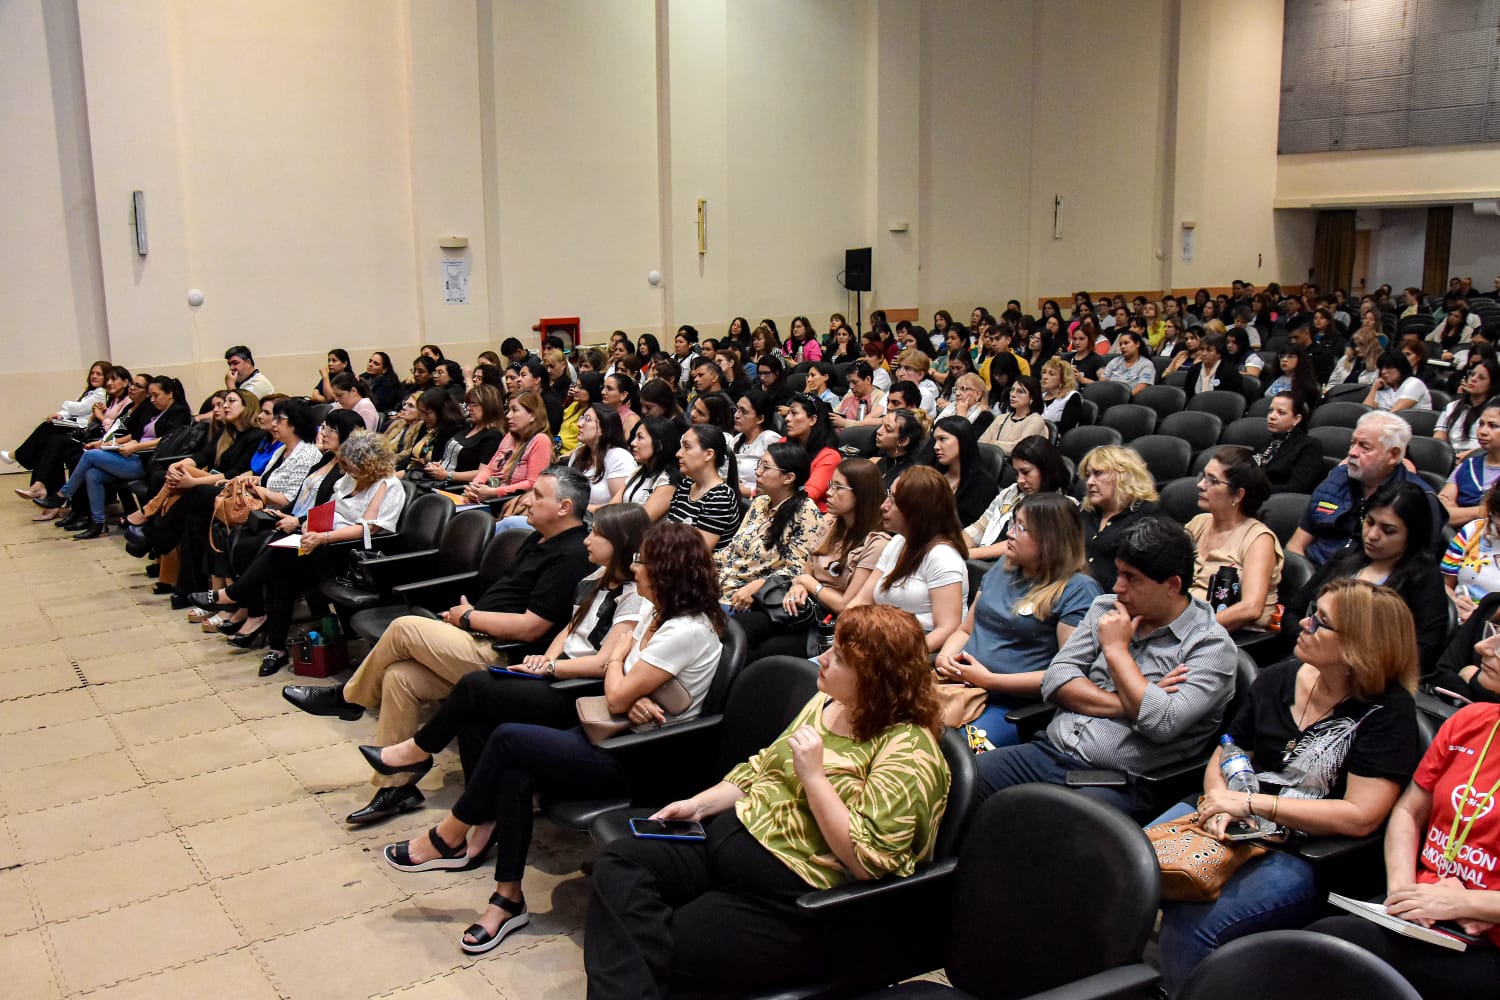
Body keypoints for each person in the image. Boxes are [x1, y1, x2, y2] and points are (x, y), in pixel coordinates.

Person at [378, 521, 726, 955]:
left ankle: (450, 836)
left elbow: (616, 689)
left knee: (506, 739)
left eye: (644, 562)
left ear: (667, 571)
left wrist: (618, 669)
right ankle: (506, 899)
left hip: (642, 757)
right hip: (612, 732)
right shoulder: (657, 614)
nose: (637, 569)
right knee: (515, 771)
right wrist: (624, 684)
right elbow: (619, 692)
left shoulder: (684, 630)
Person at [583, 603, 949, 996]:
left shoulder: (909, 751)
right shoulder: (830, 703)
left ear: (876, 678)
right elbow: (761, 768)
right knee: (622, 863)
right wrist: (699, 805)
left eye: (839, 658)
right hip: (727, 839)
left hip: (790, 891)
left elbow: (868, 862)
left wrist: (815, 778)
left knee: (665, 947)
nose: (822, 660)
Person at [282, 465, 594, 824]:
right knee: (400, 677)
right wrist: (470, 616)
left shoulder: (571, 554)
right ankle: (396, 786)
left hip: (503, 654)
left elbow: (530, 627)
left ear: (564, 507)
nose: (527, 500)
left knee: (403, 629)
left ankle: (349, 699)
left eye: (539, 495)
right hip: (476, 636)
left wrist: (467, 617)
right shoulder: (538, 537)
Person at [1153, 578, 1421, 994]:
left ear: (1357, 646)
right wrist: (1219, 801)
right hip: (1232, 819)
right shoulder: (1281, 677)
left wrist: (1251, 804)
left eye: (1321, 622)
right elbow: (1229, 748)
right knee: (1120, 869)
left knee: (1191, 927)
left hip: (1305, 851)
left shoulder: (1389, 714)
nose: (1304, 624)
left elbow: (1360, 817)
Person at [975, 517, 1239, 820]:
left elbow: (1161, 724)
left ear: (1172, 585)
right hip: (1047, 751)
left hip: (1116, 780)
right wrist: (1134, 703)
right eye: (1118, 573)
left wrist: (1116, 652)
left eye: (1131, 578)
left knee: (1049, 825)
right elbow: (1056, 680)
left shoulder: (1210, 647)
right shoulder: (1105, 607)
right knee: (958, 782)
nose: (1117, 586)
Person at [1306, 694, 1500, 995]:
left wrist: (1466, 903)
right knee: (1319, 949)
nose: (1486, 649)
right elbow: (1409, 812)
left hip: (1488, 938)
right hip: (1423, 908)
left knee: (1335, 950)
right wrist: (1402, 891)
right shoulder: (1472, 720)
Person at [936, 493, 1102, 748]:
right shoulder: (1004, 565)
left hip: (1011, 707)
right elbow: (965, 629)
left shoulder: (1077, 590)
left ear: (1050, 538)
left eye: (1021, 528)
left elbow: (1067, 675)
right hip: (958, 688)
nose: (1010, 533)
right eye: (1013, 523)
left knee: (962, 752)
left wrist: (989, 680)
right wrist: (944, 657)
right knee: (897, 726)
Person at [1297, 480, 1448, 674]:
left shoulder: (1423, 577)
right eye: (1369, 522)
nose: (1373, 535)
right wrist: (1308, 644)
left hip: (1368, 677)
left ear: (1413, 534)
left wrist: (1349, 661)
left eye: (1388, 530)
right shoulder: (1345, 556)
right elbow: (1295, 610)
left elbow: (1425, 649)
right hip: (1307, 660)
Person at [1287, 410, 1442, 566]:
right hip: (1312, 572)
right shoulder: (1336, 479)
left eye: (1364, 447)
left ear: (1393, 455)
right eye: (1353, 443)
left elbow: (1415, 569)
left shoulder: (1420, 500)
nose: (1352, 453)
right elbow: (1296, 545)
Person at [54, 376, 193, 539]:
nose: (152, 400)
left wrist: (136, 446)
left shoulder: (178, 412)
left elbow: (167, 439)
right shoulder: (157, 412)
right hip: (134, 454)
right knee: (92, 474)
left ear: (169, 394)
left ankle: (64, 494)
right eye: (151, 396)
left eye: (156, 395)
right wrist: (108, 444)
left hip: (148, 461)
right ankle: (98, 523)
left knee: (90, 456)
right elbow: (137, 435)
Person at [846, 466, 967, 652]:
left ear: (917, 511)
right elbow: (862, 599)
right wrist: (844, 628)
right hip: (880, 640)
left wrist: (900, 659)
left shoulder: (943, 556)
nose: (883, 506)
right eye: (888, 496)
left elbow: (947, 628)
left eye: (894, 502)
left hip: (913, 651)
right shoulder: (898, 543)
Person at [1187, 447, 1283, 632]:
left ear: (1238, 495)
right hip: (1183, 622)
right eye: (1203, 476)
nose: (1200, 485)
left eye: (1212, 481)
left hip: (1227, 636)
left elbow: (1250, 608)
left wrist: (1192, 629)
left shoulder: (1258, 540)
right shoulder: (1198, 524)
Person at [718, 443, 821, 610]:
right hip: (720, 586)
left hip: (748, 600)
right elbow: (732, 549)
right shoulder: (760, 502)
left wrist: (760, 585)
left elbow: (798, 569)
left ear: (789, 478)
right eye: (759, 464)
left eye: (766, 467)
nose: (758, 472)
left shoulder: (806, 512)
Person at [1079, 445, 1161, 591]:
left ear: (1123, 475)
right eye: (1088, 475)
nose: (1089, 482)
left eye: (1098, 473)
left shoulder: (1148, 518)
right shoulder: (1085, 513)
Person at [462, 391, 554, 510]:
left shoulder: (540, 441)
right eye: (509, 410)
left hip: (509, 503)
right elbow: (490, 468)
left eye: (515, 410)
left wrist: (494, 492)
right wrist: (477, 484)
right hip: (489, 497)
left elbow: (532, 483)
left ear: (532, 415)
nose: (508, 415)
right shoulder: (509, 437)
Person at [668, 424, 743, 550]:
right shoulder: (685, 486)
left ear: (708, 454)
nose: (678, 454)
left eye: (687, 447)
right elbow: (668, 532)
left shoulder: (720, 497)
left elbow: (696, 553)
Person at [1443, 479, 1500, 621]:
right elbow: (1445, 584)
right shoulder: (1473, 530)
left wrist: (1481, 615)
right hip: (1460, 616)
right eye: (1496, 517)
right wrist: (1455, 602)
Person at [1253, 391, 1326, 495]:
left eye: (1281, 412)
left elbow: (1297, 488)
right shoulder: (1264, 442)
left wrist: (1254, 491)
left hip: (1279, 502)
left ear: (1297, 419)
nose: (1272, 416)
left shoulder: (1309, 446)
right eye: (1271, 411)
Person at [1440, 401, 1500, 528]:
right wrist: (1483, 511)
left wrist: (1459, 512)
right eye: (1481, 424)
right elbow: (1441, 513)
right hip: (1460, 539)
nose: (1482, 432)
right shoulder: (1468, 464)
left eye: (1493, 426)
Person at [933, 415, 999, 528]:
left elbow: (967, 528)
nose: (936, 446)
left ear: (962, 440)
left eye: (942, 439)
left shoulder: (983, 485)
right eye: (935, 440)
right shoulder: (935, 474)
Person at [569, 404, 637, 511]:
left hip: (603, 523)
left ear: (603, 429)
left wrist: (578, 510)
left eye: (587, 419)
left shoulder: (619, 457)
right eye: (581, 418)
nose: (579, 424)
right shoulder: (578, 454)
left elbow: (620, 507)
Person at [615, 416, 681, 521]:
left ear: (659, 445)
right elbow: (612, 506)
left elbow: (643, 521)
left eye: (640, 438)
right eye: (634, 438)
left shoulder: (668, 481)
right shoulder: (639, 471)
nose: (633, 443)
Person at [782, 394, 841, 511]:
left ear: (812, 420)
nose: (787, 418)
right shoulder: (782, 443)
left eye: (794, 413)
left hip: (808, 516)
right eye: (788, 413)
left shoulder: (829, 456)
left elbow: (808, 496)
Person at [1436, 357, 1500, 457]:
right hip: (1451, 458)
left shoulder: (1496, 411)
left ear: (1492, 384)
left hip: (1482, 457)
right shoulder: (1452, 406)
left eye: (1481, 377)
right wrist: (1445, 456)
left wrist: (1468, 455)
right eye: (1472, 374)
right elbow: (1439, 435)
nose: (1473, 379)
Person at [728, 389, 781, 494]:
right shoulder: (736, 440)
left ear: (760, 418)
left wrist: (749, 491)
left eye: (743, 412)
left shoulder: (770, 439)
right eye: (737, 409)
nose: (736, 415)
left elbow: (779, 481)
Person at [1364, 350, 1434, 412]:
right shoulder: (1382, 386)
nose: (1383, 371)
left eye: (1389, 367)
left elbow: (1396, 413)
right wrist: (1374, 388)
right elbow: (1366, 412)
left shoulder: (1414, 384)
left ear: (1401, 367)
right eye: (1381, 368)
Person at [1102, 328, 1155, 396]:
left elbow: (1140, 389)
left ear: (1137, 344)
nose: (1122, 346)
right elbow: (1103, 383)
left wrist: (1121, 399)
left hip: (1130, 401)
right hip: (1109, 396)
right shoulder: (1115, 361)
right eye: (1120, 344)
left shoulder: (1146, 365)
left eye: (1126, 343)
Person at [1183, 333, 1229, 400]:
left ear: (1219, 353)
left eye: (1209, 350)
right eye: (1202, 349)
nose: (1204, 354)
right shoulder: (1193, 370)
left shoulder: (1229, 372)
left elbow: (1231, 400)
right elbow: (1187, 395)